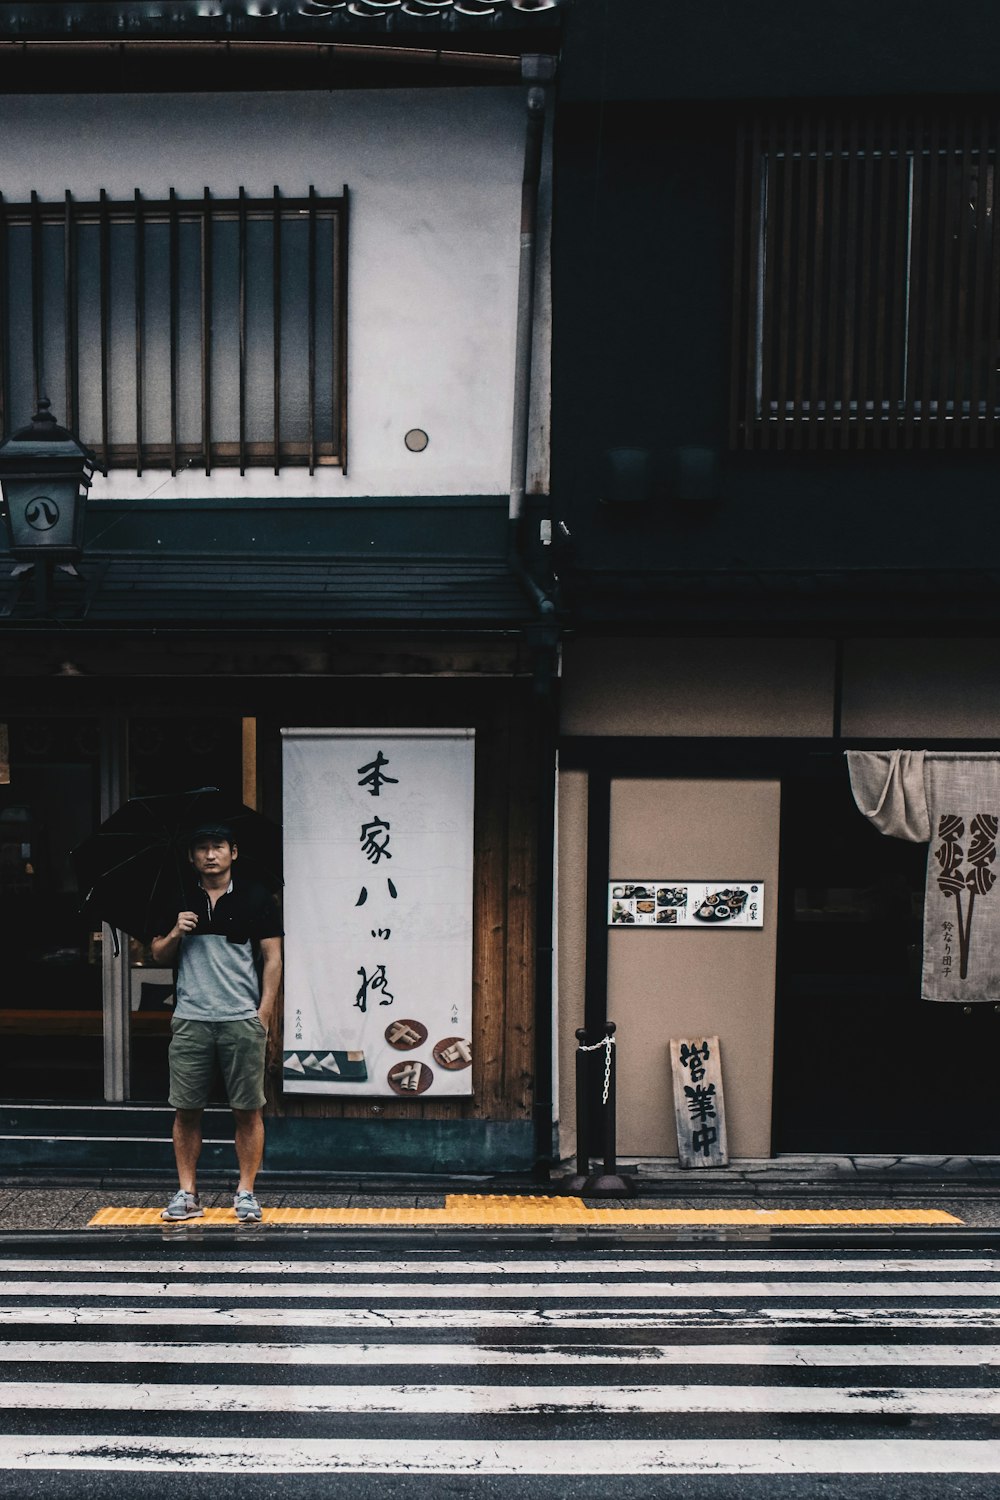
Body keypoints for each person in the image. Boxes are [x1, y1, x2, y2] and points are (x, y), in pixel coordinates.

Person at [151, 822, 283, 1222]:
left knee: (248, 1110)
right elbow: (157, 953)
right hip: (191, 1018)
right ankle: (187, 1193)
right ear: (191, 857)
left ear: (233, 852)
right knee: (186, 1109)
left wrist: (263, 1014)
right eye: (202, 848)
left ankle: (245, 1192)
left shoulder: (256, 896)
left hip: (240, 1019)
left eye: (218, 846)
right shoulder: (177, 896)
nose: (211, 854)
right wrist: (176, 930)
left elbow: (273, 958)